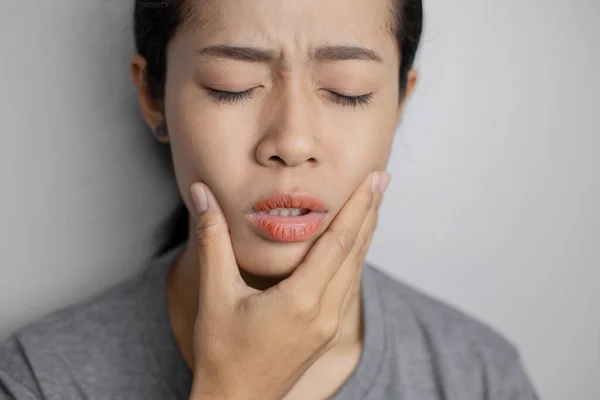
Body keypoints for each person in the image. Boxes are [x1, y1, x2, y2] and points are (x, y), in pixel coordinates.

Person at [0, 0, 540, 399]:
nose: (292, 142)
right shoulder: (39, 377)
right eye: (230, 84)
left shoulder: (479, 376)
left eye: (348, 89)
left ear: (400, 101)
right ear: (152, 96)